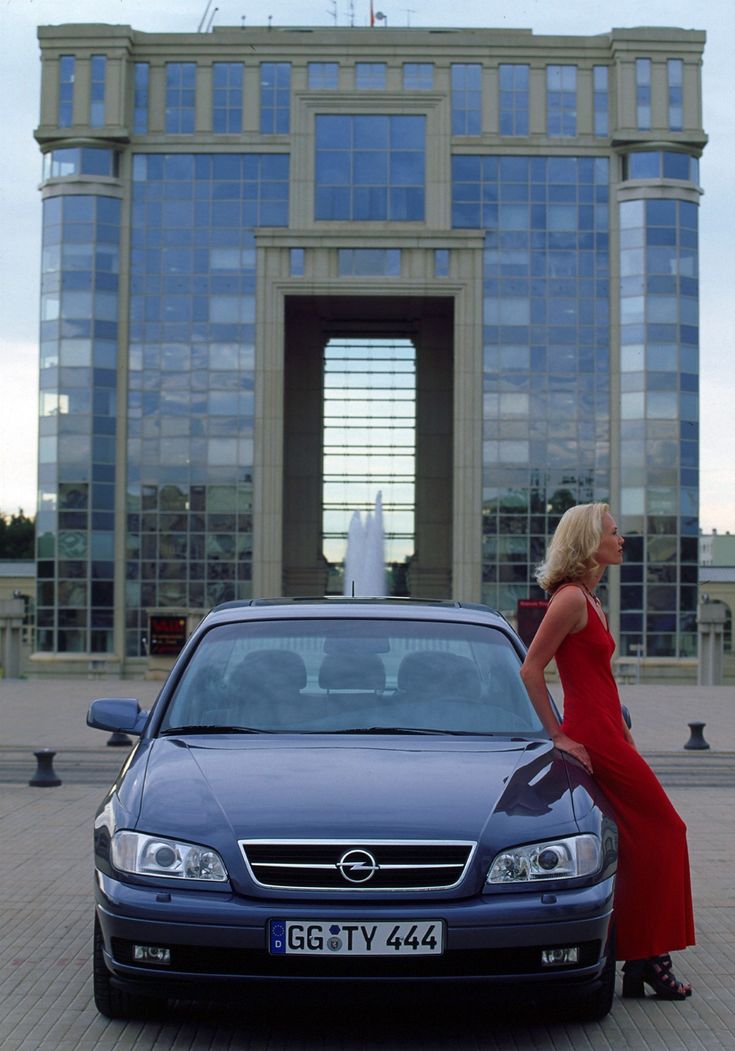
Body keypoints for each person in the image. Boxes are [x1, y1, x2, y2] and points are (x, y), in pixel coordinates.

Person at [520, 502, 695, 1001]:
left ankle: (642, 961)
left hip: (609, 735)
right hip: (590, 737)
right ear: (588, 541)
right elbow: (532, 670)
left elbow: (602, 679)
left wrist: (626, 731)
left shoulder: (592, 600)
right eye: (614, 534)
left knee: (640, 843)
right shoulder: (570, 599)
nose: (622, 541)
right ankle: (651, 957)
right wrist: (558, 735)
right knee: (668, 831)